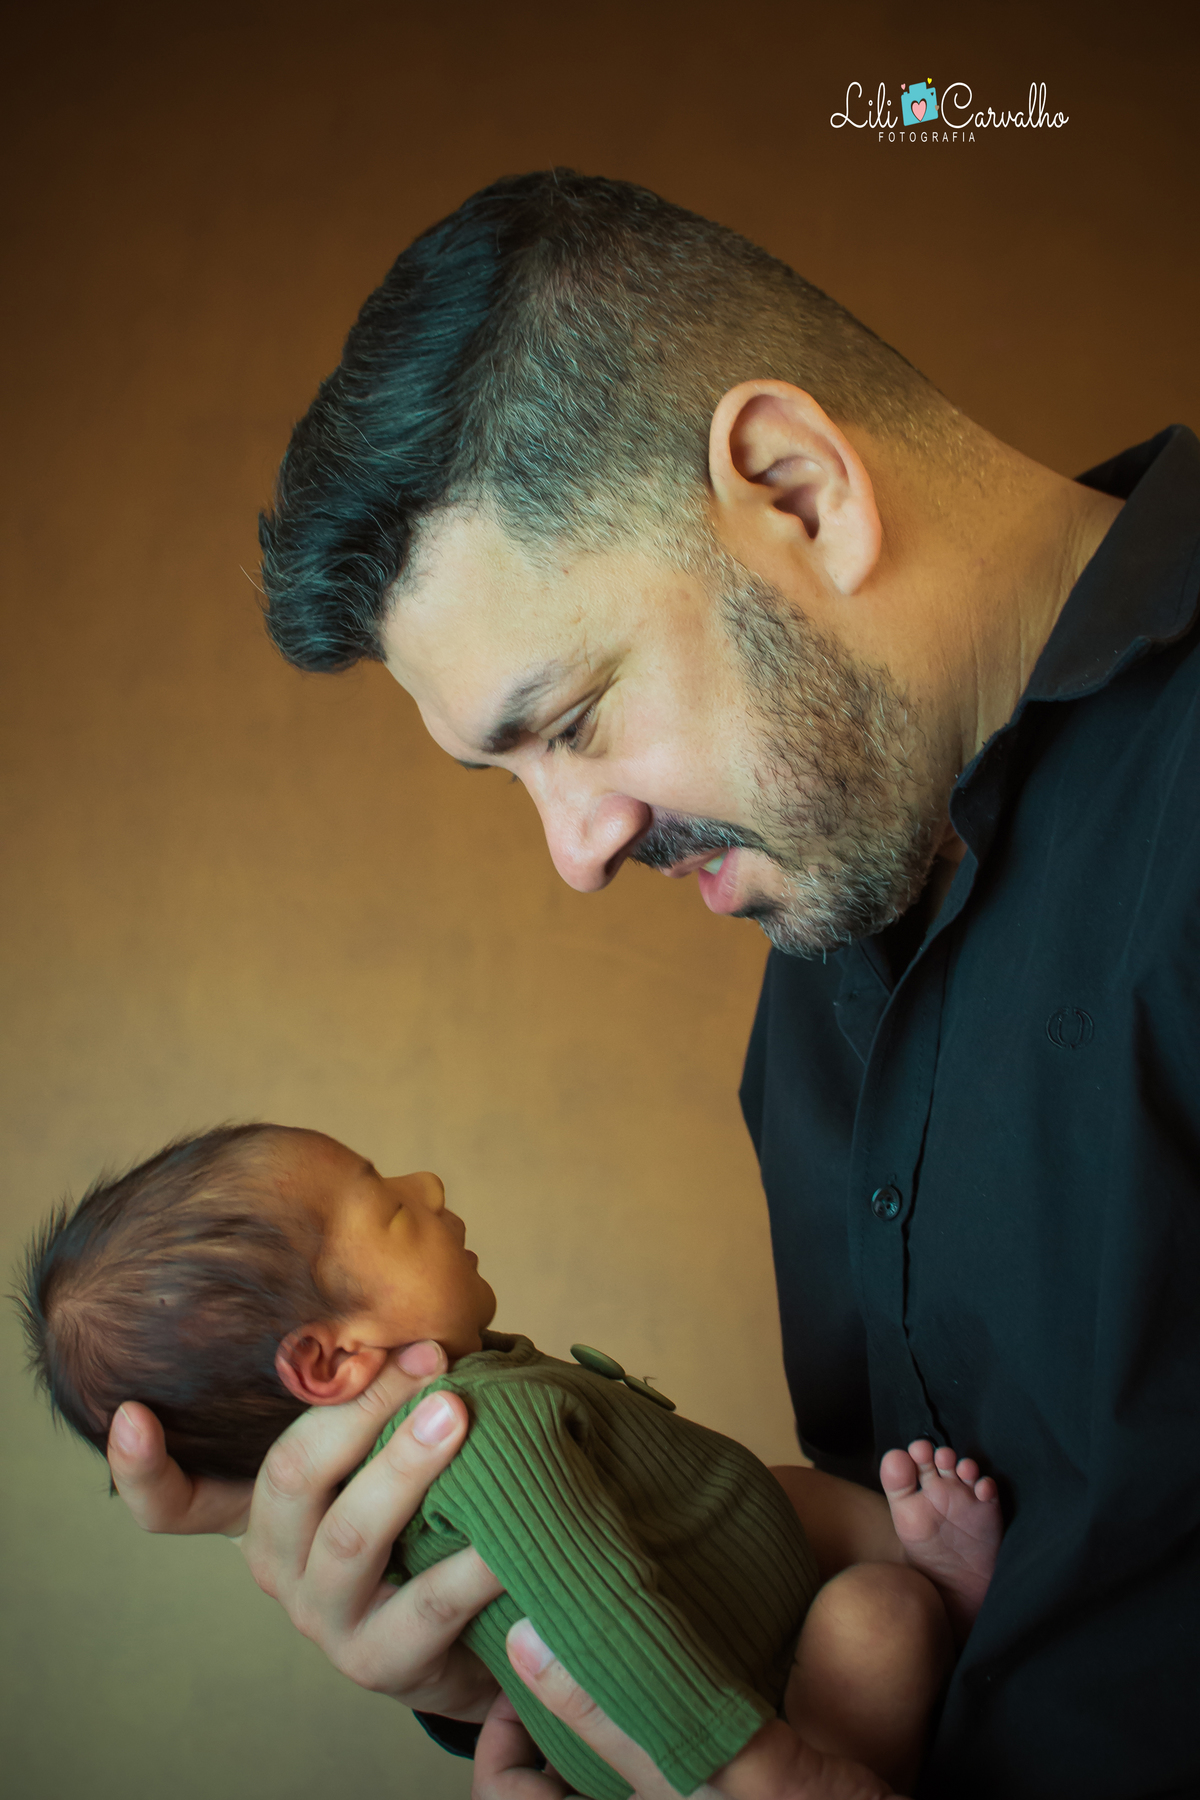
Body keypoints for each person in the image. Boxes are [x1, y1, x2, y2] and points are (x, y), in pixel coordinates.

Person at [103, 170, 1200, 1798]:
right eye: (514, 776)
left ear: (797, 488)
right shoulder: (820, 938)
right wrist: (502, 1649)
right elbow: (921, 1561)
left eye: (573, 719)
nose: (574, 849)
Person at [23, 1122, 1004, 1799]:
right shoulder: (477, 1443)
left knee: (777, 1493)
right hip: (735, 1722)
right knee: (879, 1619)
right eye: (392, 1208)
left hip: (718, 1631)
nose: (429, 1187)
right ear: (331, 1361)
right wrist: (759, 1771)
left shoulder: (457, 1400)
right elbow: (600, 1606)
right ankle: (938, 1614)